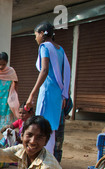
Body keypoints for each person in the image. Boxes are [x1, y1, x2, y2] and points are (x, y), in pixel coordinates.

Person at [25, 22, 71, 155]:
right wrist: (64, 95)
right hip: (57, 93)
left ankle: (43, 157)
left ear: (42, 34)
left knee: (41, 126)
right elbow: (65, 73)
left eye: (36, 35)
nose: (35, 39)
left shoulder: (44, 47)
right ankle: (49, 156)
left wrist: (31, 94)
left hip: (47, 91)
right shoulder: (60, 49)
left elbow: (44, 70)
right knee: (52, 128)